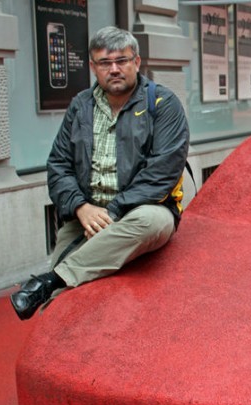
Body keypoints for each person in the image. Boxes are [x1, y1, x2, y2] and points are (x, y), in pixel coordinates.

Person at [10, 26, 190, 320]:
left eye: (122, 60)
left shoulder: (162, 103)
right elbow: (58, 165)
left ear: (137, 62)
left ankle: (51, 279)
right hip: (87, 212)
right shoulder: (81, 106)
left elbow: (163, 171)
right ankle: (53, 330)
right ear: (93, 67)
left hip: (143, 211)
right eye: (105, 63)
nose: (114, 69)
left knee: (147, 222)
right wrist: (81, 207)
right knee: (55, 307)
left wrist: (115, 210)